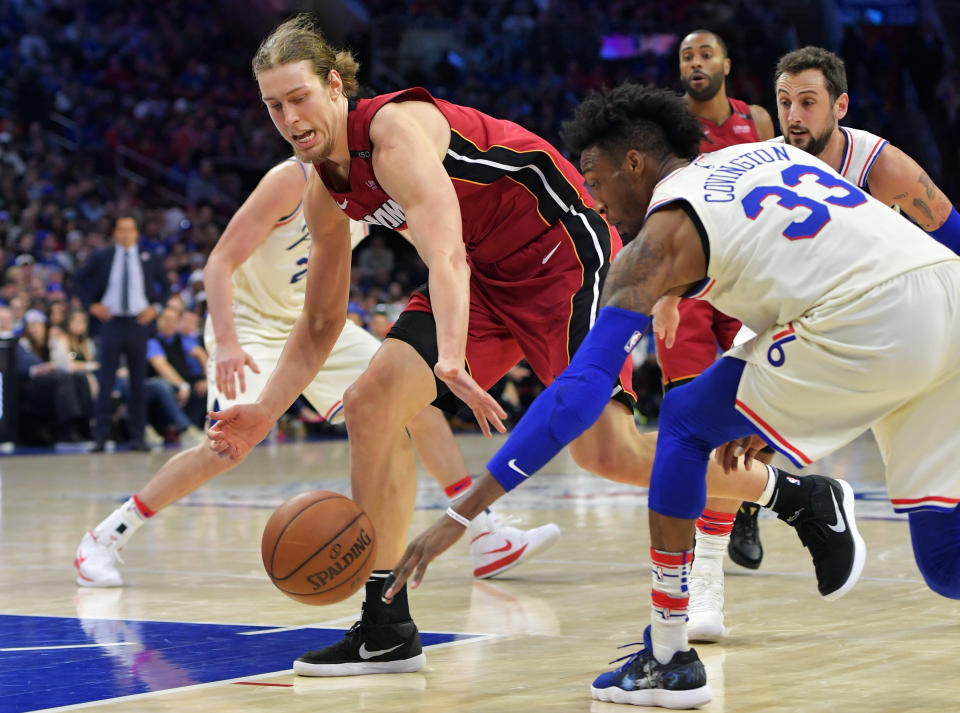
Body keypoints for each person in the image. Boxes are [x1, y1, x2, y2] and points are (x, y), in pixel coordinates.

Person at [207, 16, 853, 678]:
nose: (289, 118)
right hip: (488, 277)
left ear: (335, 85)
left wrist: (451, 356)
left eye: (299, 97)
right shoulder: (323, 190)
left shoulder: (392, 133)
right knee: (372, 400)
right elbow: (318, 321)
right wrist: (265, 409)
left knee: (607, 453)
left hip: (561, 251)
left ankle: (795, 495)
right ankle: (386, 622)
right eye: (274, 106)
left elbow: (445, 252)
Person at [386, 83, 960, 708]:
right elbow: (817, 259)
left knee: (684, 421)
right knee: (944, 560)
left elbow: (579, 396)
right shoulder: (774, 155)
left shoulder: (654, 244)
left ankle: (668, 654)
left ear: (634, 163)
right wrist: (756, 394)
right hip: (944, 296)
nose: (598, 205)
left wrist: (462, 513)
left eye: (596, 181)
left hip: (869, 321)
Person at [74, 156, 559, 588]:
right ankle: (107, 535)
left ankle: (483, 534)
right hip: (250, 327)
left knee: (413, 400)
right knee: (226, 446)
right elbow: (219, 262)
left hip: (315, 324)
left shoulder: (379, 184)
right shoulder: (290, 180)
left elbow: (433, 245)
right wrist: (225, 342)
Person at [674, 44, 960, 642]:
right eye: (784, 102)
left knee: (941, 558)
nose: (795, 115)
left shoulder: (881, 165)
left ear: (840, 105)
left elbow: (951, 236)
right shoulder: (764, 160)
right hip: (792, 314)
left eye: (808, 101)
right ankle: (705, 577)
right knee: (719, 438)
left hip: (896, 319)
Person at [663, 30, 777, 640]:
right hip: (685, 284)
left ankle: (745, 503)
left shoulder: (757, 120)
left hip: (746, 278)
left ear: (727, 65)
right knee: (696, 423)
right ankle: (705, 569)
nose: (696, 63)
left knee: (750, 414)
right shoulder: (666, 122)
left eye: (705, 54)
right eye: (687, 56)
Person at [74, 213, 169, 451]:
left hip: (138, 322)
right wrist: (91, 305)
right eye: (121, 229)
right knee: (106, 380)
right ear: (115, 233)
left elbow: (166, 287)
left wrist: (155, 308)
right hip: (111, 322)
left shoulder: (150, 257)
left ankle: (138, 436)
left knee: (138, 381)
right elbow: (77, 280)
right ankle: (101, 437)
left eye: (130, 229)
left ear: (136, 233)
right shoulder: (102, 256)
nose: (125, 234)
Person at [144, 304, 208, 443]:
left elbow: (201, 355)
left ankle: (196, 426)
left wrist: (205, 378)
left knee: (204, 386)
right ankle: (186, 429)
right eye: (165, 319)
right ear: (158, 320)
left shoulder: (182, 339)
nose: (169, 323)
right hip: (155, 387)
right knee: (161, 385)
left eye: (173, 320)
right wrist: (182, 385)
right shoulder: (152, 340)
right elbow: (162, 366)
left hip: (181, 384)